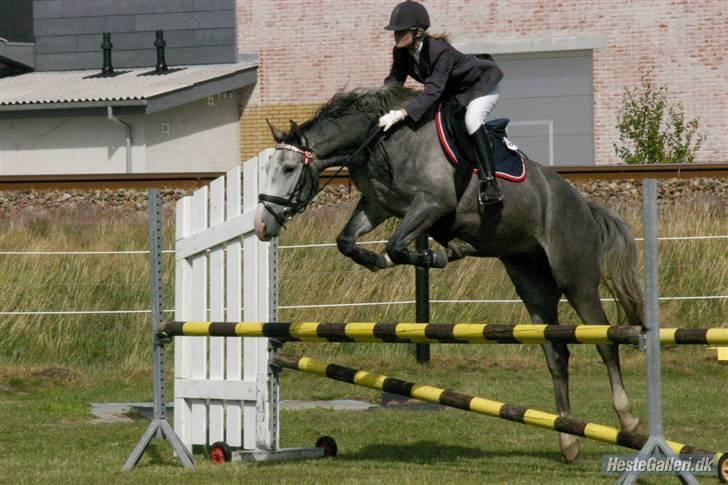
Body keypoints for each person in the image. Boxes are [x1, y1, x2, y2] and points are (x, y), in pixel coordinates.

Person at [378, 1, 504, 204]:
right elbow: (394, 82)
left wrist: (401, 113)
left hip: (481, 86)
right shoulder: (401, 52)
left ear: (418, 32)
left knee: (471, 121)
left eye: (402, 31)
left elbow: (433, 91)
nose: (397, 36)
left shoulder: (439, 50)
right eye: (395, 32)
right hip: (453, 93)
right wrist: (378, 103)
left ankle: (490, 182)